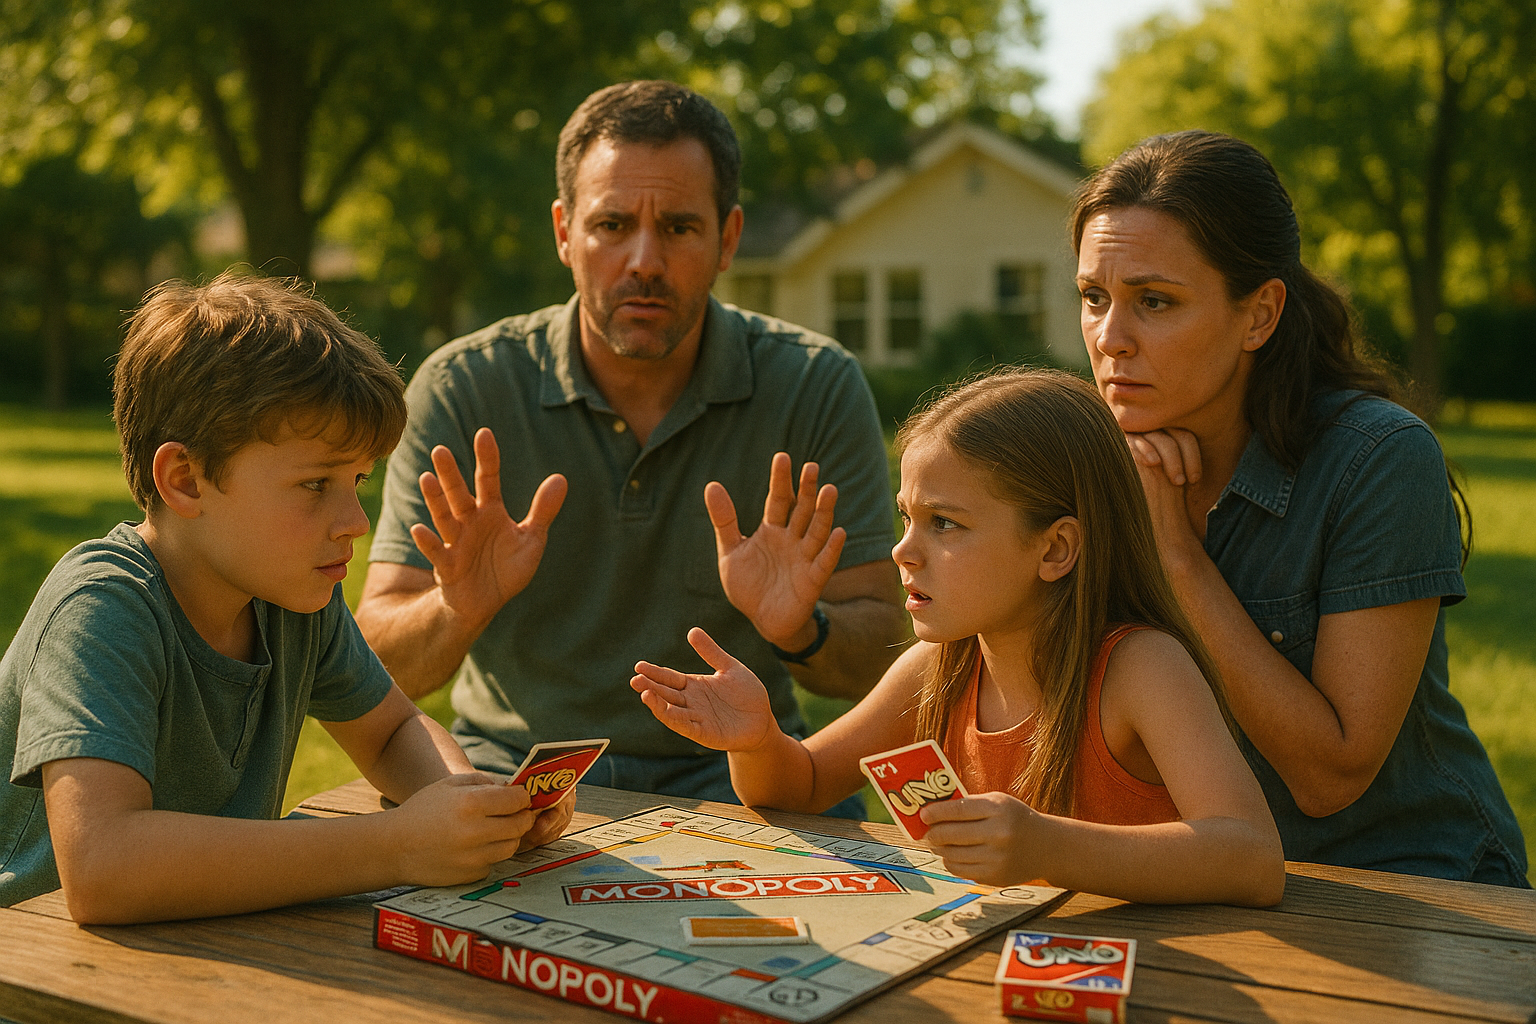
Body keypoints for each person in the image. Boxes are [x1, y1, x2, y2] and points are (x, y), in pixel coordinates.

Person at [355, 81, 904, 814]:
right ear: (563, 231)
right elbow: (374, 663)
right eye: (612, 224)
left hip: (742, 768)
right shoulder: (464, 387)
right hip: (514, 770)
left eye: (678, 227)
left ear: (729, 238)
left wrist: (802, 630)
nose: (644, 259)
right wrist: (455, 608)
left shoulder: (814, 384)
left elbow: (880, 653)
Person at [0, 273, 572, 922]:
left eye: (357, 479)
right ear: (184, 480)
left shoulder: (293, 600)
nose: (356, 518)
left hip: (195, 961)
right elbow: (103, 866)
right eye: (315, 484)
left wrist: (467, 803)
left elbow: (391, 732)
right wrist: (395, 846)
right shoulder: (103, 609)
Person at [630, 369, 1285, 906]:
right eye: (907, 517)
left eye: (945, 525)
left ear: (1055, 548)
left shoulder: (1140, 668)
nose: (903, 551)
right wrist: (758, 740)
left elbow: (1252, 857)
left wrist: (1048, 847)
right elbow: (796, 786)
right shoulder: (936, 669)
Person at [1072, 130, 1527, 885]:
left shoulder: (1376, 460)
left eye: (1154, 301)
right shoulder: (1093, 459)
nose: (1110, 339)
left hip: (1409, 889)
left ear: (1260, 314)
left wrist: (1176, 556)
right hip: (1199, 884)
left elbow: (1333, 775)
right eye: (1094, 298)